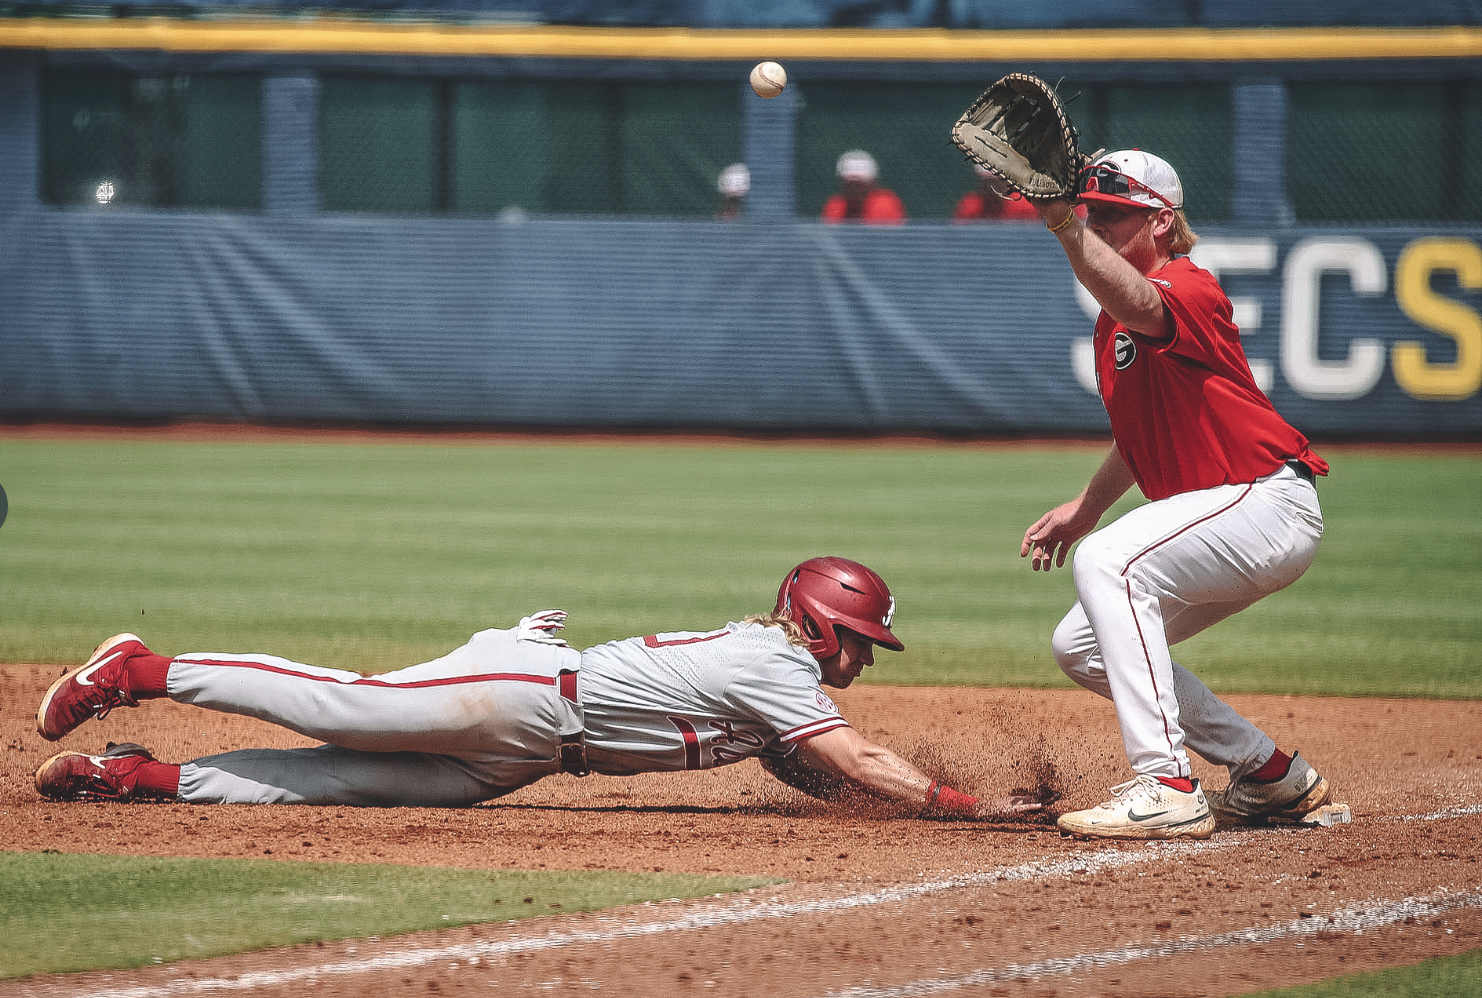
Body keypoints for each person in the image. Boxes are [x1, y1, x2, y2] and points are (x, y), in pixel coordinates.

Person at [35, 557, 1042, 820]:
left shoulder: (773, 680)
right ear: (821, 620)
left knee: (335, 782)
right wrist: (957, 803)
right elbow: (853, 754)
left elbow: (819, 769)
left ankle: (138, 778)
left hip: (527, 754)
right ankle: (136, 669)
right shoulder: (774, 663)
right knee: (343, 703)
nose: (864, 658)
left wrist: (903, 805)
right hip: (524, 690)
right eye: (861, 640)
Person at [1020, 150, 1334, 841]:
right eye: (1092, 213)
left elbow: (1138, 300)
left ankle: (1165, 783)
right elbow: (1140, 434)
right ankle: (1268, 772)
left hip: (1264, 501)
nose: (1096, 225)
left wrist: (1065, 227)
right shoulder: (1115, 324)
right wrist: (1086, 506)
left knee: (1109, 563)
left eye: (1113, 216)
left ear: (1163, 221)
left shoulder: (1187, 287)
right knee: (1082, 645)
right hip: (1228, 516)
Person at [820, 150, 906, 225]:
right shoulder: (834, 207)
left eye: (859, 185)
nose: (854, 190)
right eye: (850, 185)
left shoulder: (885, 206)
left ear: (873, 184)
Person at [953, 165, 1040, 222]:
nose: (991, 186)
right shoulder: (970, 206)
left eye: (996, 181)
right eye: (987, 181)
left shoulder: (1024, 205)